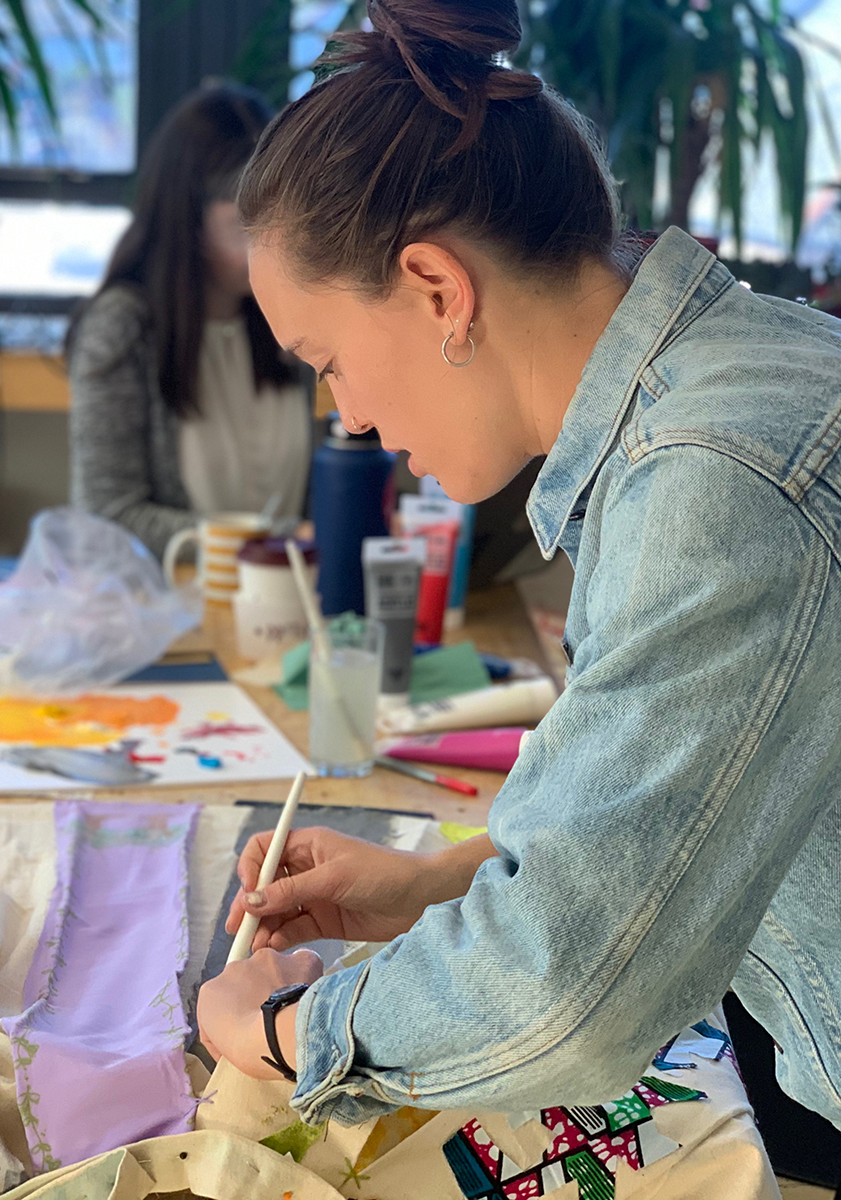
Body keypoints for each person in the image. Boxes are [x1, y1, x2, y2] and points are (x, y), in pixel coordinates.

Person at [196, 0, 841, 1139]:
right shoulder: (728, 384)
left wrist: (286, 1030)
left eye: (330, 361)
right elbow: (687, 792)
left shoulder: (716, 478)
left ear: (439, 290)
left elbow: (568, 997)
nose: (346, 418)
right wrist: (440, 882)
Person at [67, 84, 312, 561]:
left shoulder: (287, 322)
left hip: (283, 606)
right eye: (245, 228)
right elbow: (106, 518)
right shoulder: (122, 328)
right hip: (168, 617)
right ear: (187, 221)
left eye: (279, 226)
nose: (271, 252)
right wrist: (271, 545)